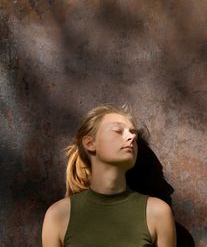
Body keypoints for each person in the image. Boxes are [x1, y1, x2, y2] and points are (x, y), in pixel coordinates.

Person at [42, 105, 176, 247]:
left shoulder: (158, 213)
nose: (131, 136)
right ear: (90, 143)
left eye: (133, 134)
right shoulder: (58, 215)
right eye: (118, 130)